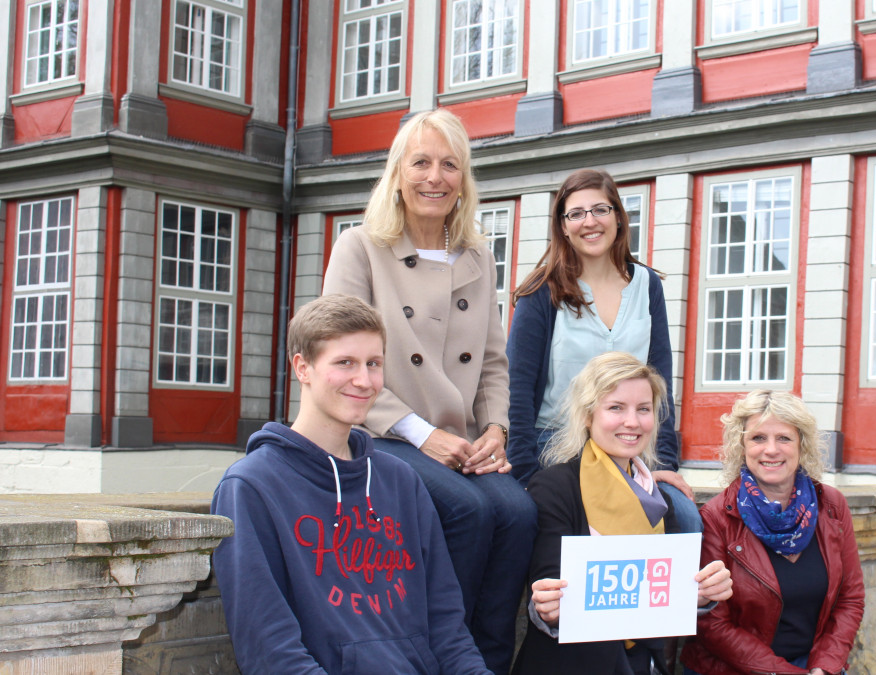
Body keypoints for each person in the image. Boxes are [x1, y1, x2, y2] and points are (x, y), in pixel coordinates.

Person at [322, 108, 536, 674]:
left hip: (460, 439)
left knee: (517, 514)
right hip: (382, 429)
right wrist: (422, 434)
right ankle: (439, 656)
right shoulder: (359, 247)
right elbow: (340, 362)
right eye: (421, 162)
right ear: (397, 173)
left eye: (449, 165)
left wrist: (495, 429)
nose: (434, 177)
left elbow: (493, 360)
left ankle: (485, 662)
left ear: (464, 181)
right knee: (466, 510)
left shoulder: (477, 257)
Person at [211, 294, 490, 674]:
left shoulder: (400, 480)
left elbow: (448, 631)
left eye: (373, 364)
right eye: (345, 363)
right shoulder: (251, 487)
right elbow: (270, 651)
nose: (364, 381)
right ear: (302, 367)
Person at [512, 352, 733, 675]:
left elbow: (664, 596)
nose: (633, 422)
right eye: (616, 407)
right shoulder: (554, 486)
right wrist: (548, 607)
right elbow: (547, 592)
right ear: (588, 415)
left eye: (643, 409)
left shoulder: (657, 500)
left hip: (641, 663)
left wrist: (701, 595)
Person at [506, 168, 701, 533]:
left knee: (686, 518)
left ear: (618, 217)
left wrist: (665, 464)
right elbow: (516, 389)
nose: (589, 222)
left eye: (600, 209)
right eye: (576, 213)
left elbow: (659, 382)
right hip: (558, 446)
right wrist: (525, 472)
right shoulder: (541, 292)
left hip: (631, 445)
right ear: (563, 226)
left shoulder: (647, 286)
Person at [681, 391, 864, 675]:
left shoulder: (832, 505)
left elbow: (850, 599)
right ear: (741, 446)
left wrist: (824, 667)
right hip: (733, 669)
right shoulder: (717, 517)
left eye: (784, 438)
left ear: (801, 445)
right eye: (758, 438)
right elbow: (712, 623)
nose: (771, 450)